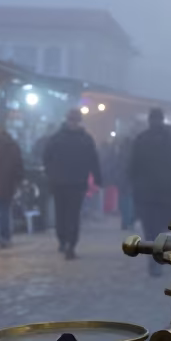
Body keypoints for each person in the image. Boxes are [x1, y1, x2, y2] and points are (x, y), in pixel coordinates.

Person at [130, 108, 171, 277]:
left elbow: (132, 166)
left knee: (151, 230)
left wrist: (133, 188)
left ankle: (155, 262)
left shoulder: (141, 139)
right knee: (165, 227)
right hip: (169, 190)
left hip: (149, 192)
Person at [43, 108, 102, 260]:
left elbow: (46, 159)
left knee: (63, 214)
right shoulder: (85, 139)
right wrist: (97, 178)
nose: (74, 123)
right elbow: (93, 160)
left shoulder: (56, 138)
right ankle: (69, 243)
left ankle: (65, 241)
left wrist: (51, 174)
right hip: (75, 182)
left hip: (61, 182)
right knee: (71, 215)